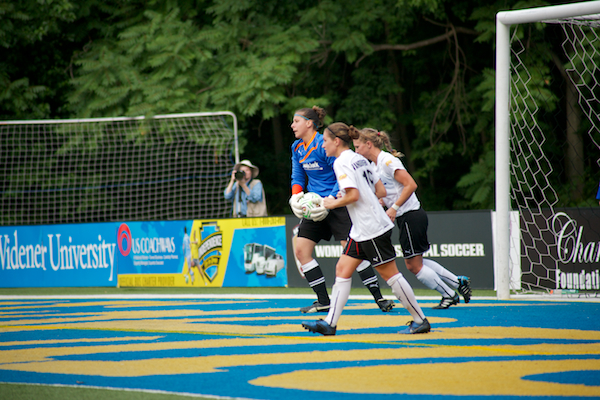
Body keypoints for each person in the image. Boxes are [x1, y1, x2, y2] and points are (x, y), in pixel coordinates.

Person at [302, 123, 430, 336]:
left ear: (336, 141)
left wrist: (331, 203)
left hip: (371, 228)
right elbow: (380, 190)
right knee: (342, 269)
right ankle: (330, 323)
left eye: (324, 141)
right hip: (361, 229)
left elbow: (354, 195)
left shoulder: (341, 162)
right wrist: (347, 196)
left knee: (392, 276)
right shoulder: (359, 158)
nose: (322, 145)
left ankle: (420, 320)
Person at [289, 106, 395, 314]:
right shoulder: (296, 147)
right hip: (315, 205)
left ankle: (379, 298)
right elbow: (298, 175)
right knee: (301, 250)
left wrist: (331, 198)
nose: (292, 125)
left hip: (337, 203)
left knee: (354, 252)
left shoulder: (324, 144)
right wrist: (295, 195)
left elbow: (342, 175)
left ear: (309, 123)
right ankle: (323, 301)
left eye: (296, 121)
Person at [353, 128, 472, 309]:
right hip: (407, 218)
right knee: (416, 262)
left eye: (357, 147)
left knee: (413, 266)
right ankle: (457, 282)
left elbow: (411, 185)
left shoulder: (387, 161)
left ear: (368, 144)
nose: (356, 151)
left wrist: (393, 208)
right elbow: (389, 192)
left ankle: (449, 294)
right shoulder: (375, 165)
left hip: (411, 216)